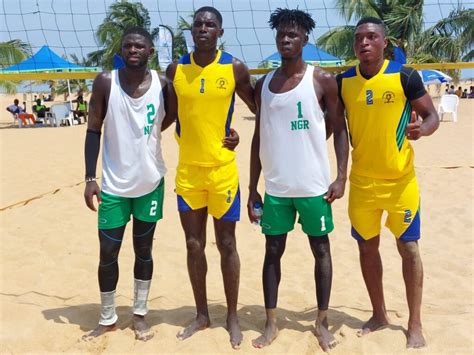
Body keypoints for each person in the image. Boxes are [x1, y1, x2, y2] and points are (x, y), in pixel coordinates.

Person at [247, 8, 348, 351]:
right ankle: (271, 322)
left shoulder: (321, 80)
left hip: (314, 186)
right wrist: (251, 189)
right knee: (272, 252)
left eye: (293, 34)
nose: (286, 39)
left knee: (321, 249)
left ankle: (321, 322)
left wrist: (341, 177)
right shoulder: (264, 84)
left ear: (305, 38)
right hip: (276, 188)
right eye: (281, 35)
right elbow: (258, 138)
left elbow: (339, 130)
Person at [337, 17, 439, 348]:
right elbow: (335, 128)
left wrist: (423, 130)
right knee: (367, 248)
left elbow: (432, 115)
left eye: (371, 37)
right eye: (358, 38)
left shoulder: (404, 75)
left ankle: (414, 323)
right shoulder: (344, 81)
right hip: (363, 184)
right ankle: (379, 314)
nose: (364, 42)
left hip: (400, 182)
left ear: (384, 42)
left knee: (408, 249)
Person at [165, 6, 255, 349]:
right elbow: (169, 116)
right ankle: (202, 314)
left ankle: (232, 316)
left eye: (210, 25)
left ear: (220, 31)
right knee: (193, 244)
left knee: (227, 243)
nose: (203, 29)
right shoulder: (176, 68)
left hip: (222, 170)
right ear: (191, 31)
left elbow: (260, 107)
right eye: (198, 24)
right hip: (188, 170)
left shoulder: (234, 67)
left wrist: (239, 137)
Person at [82, 26, 171, 342]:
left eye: (139, 46)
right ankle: (107, 318)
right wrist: (90, 178)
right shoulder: (106, 82)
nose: (133, 49)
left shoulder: (162, 84)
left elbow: (170, 117)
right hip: (113, 186)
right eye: (127, 45)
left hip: (149, 182)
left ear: (150, 51)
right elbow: (93, 130)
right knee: (108, 252)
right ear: (122, 51)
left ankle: (140, 315)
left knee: (143, 250)